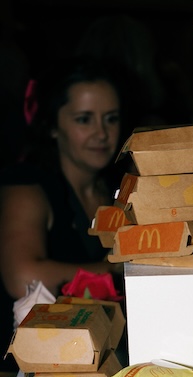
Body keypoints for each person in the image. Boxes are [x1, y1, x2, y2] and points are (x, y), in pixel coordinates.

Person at [0, 57, 124, 357]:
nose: (102, 133)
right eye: (84, 119)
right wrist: (117, 268)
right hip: (25, 366)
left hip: (97, 354)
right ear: (52, 126)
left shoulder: (119, 186)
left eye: (111, 118)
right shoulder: (26, 186)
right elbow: (22, 277)